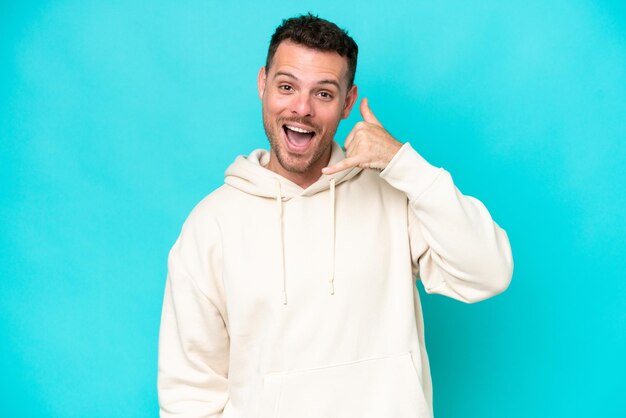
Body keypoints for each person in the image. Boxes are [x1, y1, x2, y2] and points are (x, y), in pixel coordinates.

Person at [158, 13, 513, 418]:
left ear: (347, 102)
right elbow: (188, 392)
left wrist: (403, 163)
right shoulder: (211, 225)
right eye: (287, 87)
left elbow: (489, 272)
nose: (302, 108)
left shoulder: (394, 194)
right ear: (262, 84)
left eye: (323, 94)